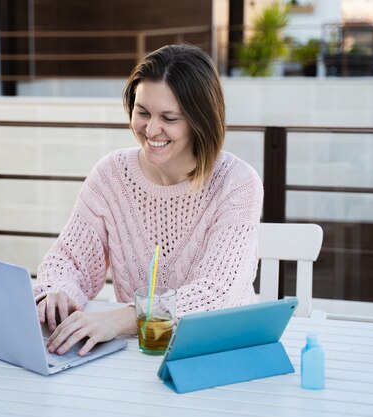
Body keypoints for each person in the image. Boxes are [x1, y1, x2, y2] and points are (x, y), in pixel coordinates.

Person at [33, 43, 263, 357]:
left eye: (169, 118)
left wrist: (125, 318)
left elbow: (216, 293)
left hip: (218, 353)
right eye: (142, 112)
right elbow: (70, 261)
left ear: (201, 120)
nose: (151, 129)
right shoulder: (111, 175)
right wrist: (59, 292)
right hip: (137, 354)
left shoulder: (237, 183)